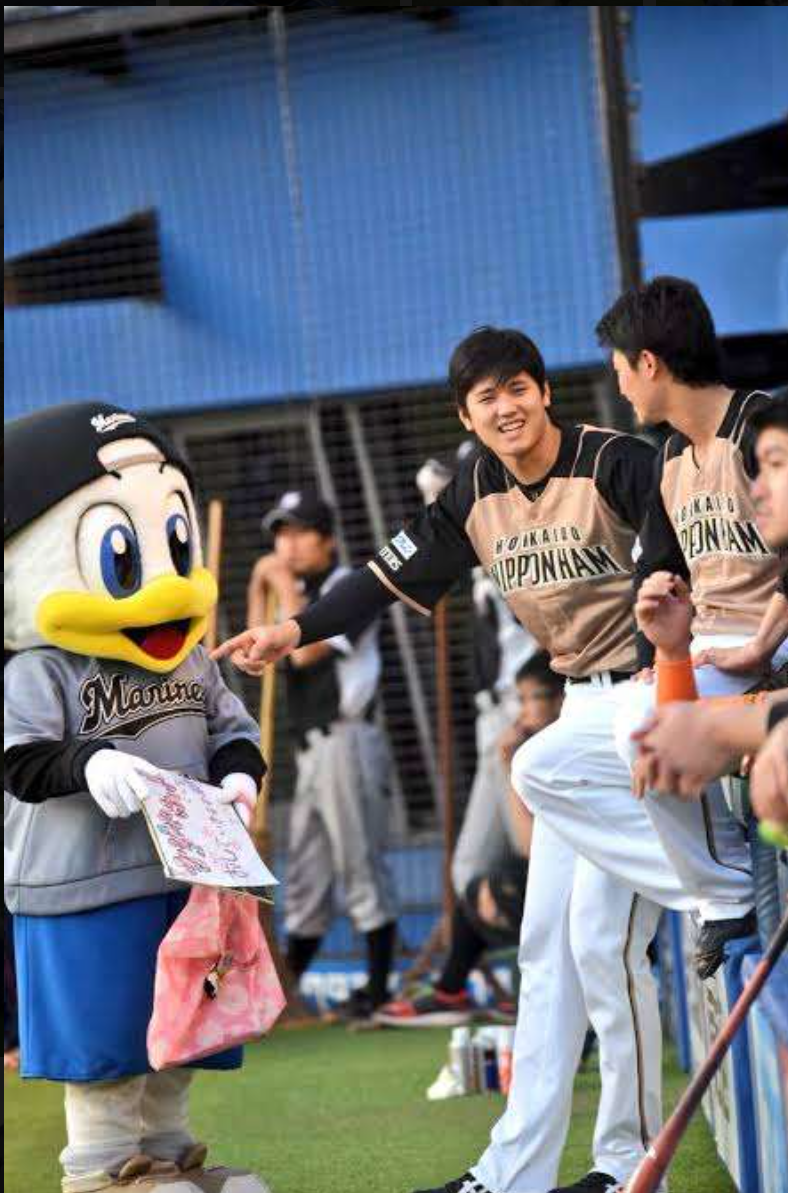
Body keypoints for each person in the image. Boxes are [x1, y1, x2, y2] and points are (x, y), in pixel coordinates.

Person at [214, 326, 742, 1193]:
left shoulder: (614, 460)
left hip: (653, 686)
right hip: (581, 702)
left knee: (602, 939)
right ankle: (512, 1175)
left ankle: (631, 1148)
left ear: (543, 391)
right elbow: (379, 580)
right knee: (549, 949)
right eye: (486, 397)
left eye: (518, 388)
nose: (507, 407)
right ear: (467, 413)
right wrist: (290, 629)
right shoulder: (473, 491)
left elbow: (677, 557)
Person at [4, 403, 271, 1193]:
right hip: (80, 883)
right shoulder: (39, 668)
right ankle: (100, 1172)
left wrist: (240, 774)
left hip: (182, 878)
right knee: (107, 1036)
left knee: (182, 1030)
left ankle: (169, 1155)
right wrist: (86, 765)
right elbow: (18, 760)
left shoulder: (189, 655)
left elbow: (231, 725)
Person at [247, 490, 399, 1022]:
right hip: (309, 748)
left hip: (347, 738)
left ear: (327, 537)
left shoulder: (348, 587)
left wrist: (282, 584)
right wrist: (261, 582)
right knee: (307, 875)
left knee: (359, 864)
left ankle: (378, 992)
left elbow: (305, 648)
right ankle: (278, 998)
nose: (286, 544)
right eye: (279, 533)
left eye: (298, 532)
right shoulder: (296, 591)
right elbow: (256, 654)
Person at [374, 652, 563, 1028]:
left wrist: (510, 765)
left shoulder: (563, 748)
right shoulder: (538, 746)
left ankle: (491, 994)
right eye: (520, 701)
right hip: (561, 883)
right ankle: (455, 991)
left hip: (590, 891)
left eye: (533, 700)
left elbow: (530, 847)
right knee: (484, 882)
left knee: (499, 886)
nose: (523, 713)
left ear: (562, 700)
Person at [630, 396, 788, 821]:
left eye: (775, 465)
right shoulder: (669, 457)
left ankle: (723, 884)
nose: (755, 488)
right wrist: (672, 653)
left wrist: (732, 728)